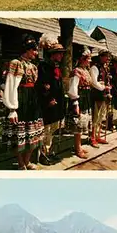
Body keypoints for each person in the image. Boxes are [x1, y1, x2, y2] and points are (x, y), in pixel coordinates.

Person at [3, 35, 44, 170]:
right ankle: (20, 163)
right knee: (19, 134)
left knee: (33, 133)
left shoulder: (33, 66)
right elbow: (10, 86)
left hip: (32, 100)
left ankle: (27, 161)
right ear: (27, 50)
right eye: (34, 50)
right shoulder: (16, 63)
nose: (36, 53)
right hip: (20, 99)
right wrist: (12, 109)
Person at [37, 33, 65, 163]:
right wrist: (48, 99)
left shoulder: (56, 67)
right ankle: (42, 154)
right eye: (59, 53)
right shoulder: (43, 67)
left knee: (53, 129)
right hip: (48, 103)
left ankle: (48, 151)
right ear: (52, 53)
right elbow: (42, 85)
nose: (61, 55)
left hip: (57, 102)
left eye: (61, 53)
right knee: (46, 129)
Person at [67, 47, 92, 159]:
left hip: (86, 97)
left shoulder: (85, 70)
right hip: (79, 98)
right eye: (88, 59)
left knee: (82, 124)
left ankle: (79, 146)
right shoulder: (76, 71)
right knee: (78, 124)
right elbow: (73, 88)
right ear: (82, 59)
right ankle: (77, 148)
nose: (89, 61)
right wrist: (75, 102)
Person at [90, 49, 111, 147]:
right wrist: (103, 87)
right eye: (105, 56)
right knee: (95, 117)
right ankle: (93, 137)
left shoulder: (105, 68)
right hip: (96, 95)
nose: (107, 58)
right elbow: (94, 82)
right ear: (101, 57)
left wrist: (107, 88)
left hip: (103, 96)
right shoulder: (95, 67)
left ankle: (98, 135)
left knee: (101, 116)